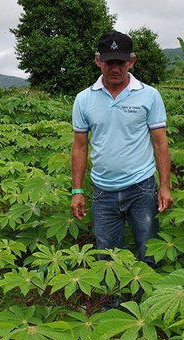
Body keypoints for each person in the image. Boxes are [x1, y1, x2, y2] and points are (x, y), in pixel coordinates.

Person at [70, 30, 173, 269]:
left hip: (142, 189)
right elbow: (79, 146)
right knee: (107, 258)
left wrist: (165, 186)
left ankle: (149, 304)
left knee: (149, 252)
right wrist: (77, 190)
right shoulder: (84, 99)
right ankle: (111, 305)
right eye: (109, 62)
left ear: (132, 61)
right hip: (103, 191)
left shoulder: (149, 95)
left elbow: (160, 142)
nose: (114, 68)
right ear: (98, 60)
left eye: (120, 62)